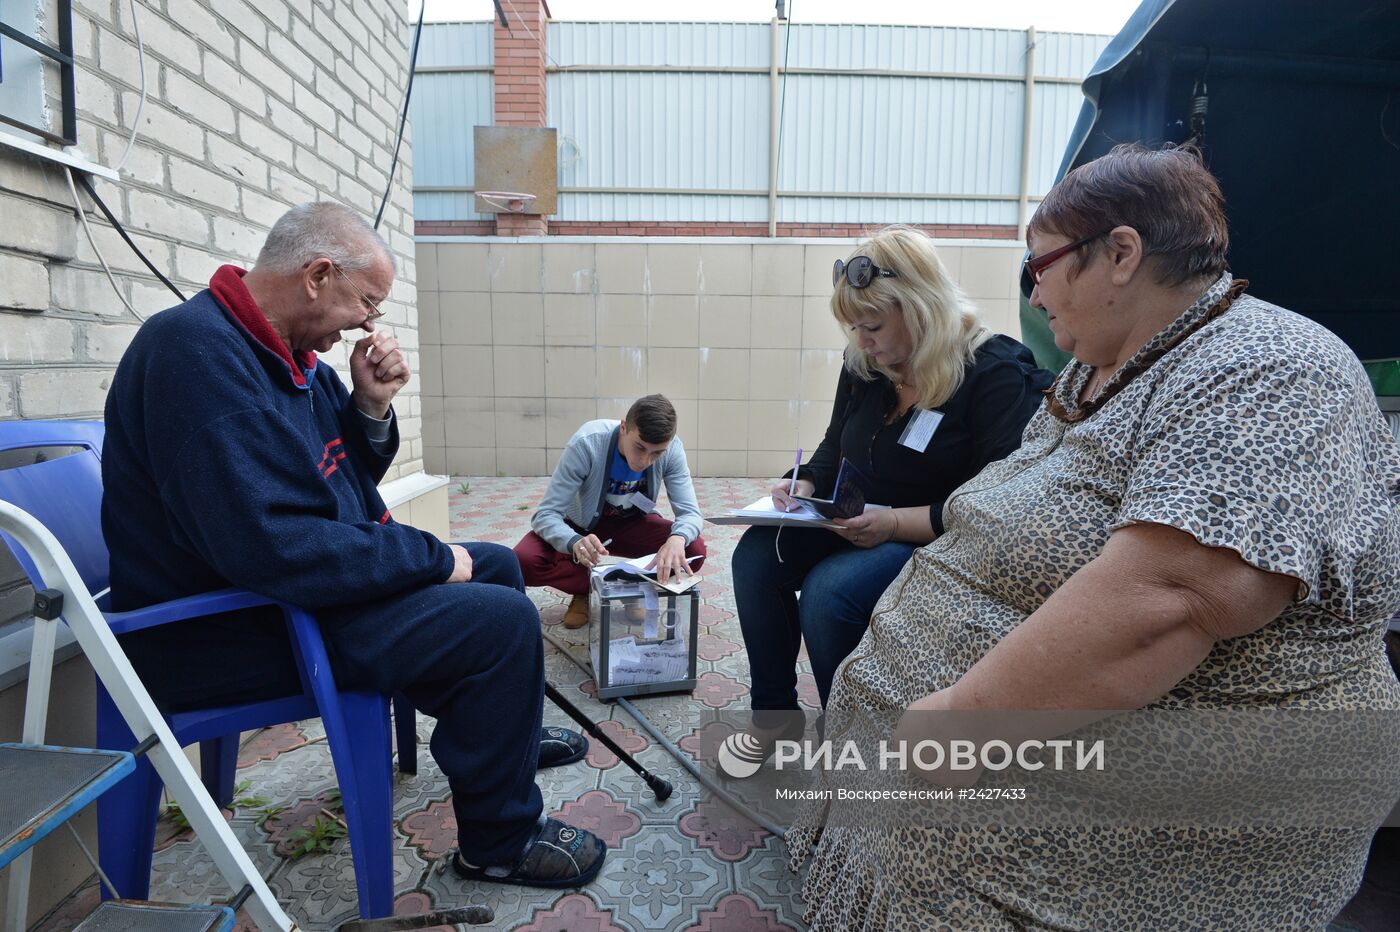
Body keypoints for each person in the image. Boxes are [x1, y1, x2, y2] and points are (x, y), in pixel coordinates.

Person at [784, 145, 1400, 929]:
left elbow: (1174, 597)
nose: (1032, 294)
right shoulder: (1097, 370)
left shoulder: (1271, 369)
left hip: (1169, 789)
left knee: (938, 840)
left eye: (1039, 266)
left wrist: (964, 722)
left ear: (1120, 253)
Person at [102, 202, 606, 889]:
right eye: (366, 302)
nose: (370, 324)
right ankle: (499, 841)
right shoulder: (193, 357)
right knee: (499, 620)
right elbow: (276, 547)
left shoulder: (288, 356)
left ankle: (498, 740)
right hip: (232, 628)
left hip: (287, 599)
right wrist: (431, 559)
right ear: (316, 275)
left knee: (491, 563)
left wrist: (369, 406)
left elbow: (340, 486)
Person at [731, 226, 1051, 719]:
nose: (862, 341)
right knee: (755, 556)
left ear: (921, 308)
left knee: (830, 591)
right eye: (853, 328)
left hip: (938, 535)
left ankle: (852, 733)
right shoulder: (865, 363)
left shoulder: (995, 372)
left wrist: (895, 522)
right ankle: (773, 715)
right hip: (859, 520)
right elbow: (836, 442)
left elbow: (995, 501)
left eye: (873, 327)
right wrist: (806, 481)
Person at [513, 394, 706, 627]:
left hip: (632, 524)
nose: (645, 460)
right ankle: (584, 589)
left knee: (692, 549)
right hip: (580, 526)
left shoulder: (672, 449)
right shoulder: (588, 443)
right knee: (523, 560)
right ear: (623, 427)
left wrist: (677, 538)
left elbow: (690, 513)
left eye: (656, 453)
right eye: (640, 448)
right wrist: (573, 541)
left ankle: (631, 588)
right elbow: (545, 515)